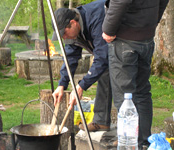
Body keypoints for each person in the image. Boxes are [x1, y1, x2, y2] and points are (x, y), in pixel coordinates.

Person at [102, 0, 169, 149]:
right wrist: (151, 24)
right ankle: (144, 142)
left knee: (126, 97)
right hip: (145, 36)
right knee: (142, 92)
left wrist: (108, 29)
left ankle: (132, 145)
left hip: (125, 38)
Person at [52, 0, 112, 132]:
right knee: (104, 72)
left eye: (64, 33)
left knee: (124, 86)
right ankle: (101, 121)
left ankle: (132, 133)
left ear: (73, 23)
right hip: (108, 52)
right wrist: (62, 84)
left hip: (128, 44)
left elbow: (102, 57)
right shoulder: (73, 30)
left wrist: (81, 86)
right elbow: (70, 58)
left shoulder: (96, 18)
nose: (64, 37)